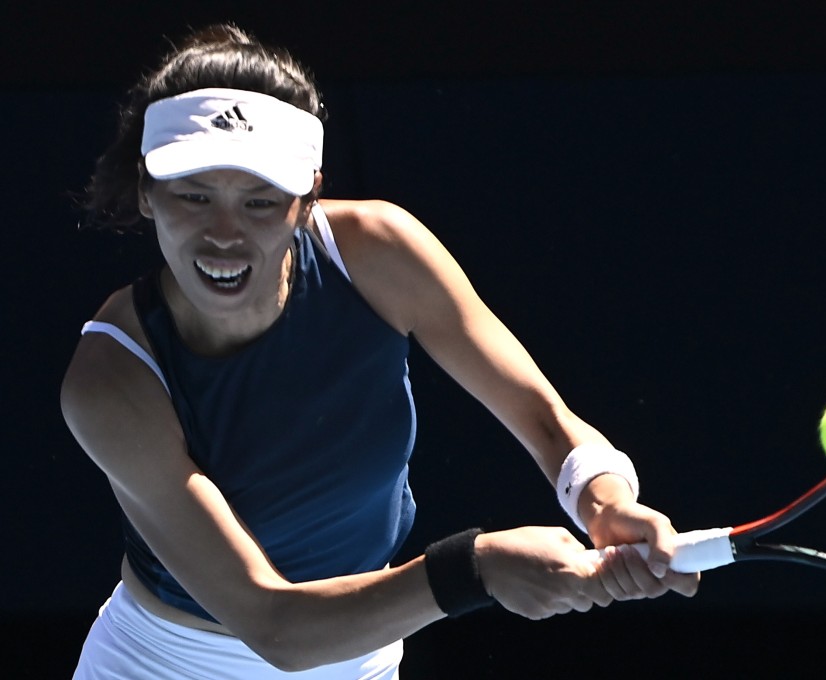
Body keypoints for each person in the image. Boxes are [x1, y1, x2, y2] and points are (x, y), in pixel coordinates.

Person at [61, 23, 699, 679]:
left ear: (307, 198)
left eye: (260, 201)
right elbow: (275, 626)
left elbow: (547, 422)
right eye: (194, 196)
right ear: (146, 193)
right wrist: (475, 569)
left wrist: (605, 500)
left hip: (360, 657)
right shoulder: (110, 377)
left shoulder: (378, 254)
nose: (224, 235)